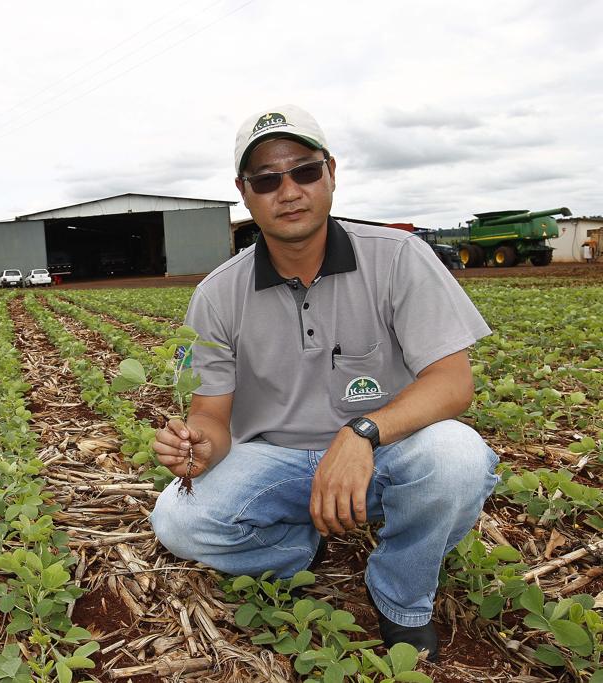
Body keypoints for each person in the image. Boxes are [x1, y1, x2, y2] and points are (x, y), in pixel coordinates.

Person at [149, 105, 499, 661]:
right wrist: (196, 447)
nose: (288, 190)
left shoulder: (400, 257)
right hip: (277, 459)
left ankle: (402, 597)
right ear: (244, 192)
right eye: (266, 179)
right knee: (177, 520)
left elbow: (452, 382)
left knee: (457, 457)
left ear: (331, 172)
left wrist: (361, 432)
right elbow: (210, 415)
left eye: (304, 171)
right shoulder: (215, 295)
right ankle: (296, 546)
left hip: (383, 452)